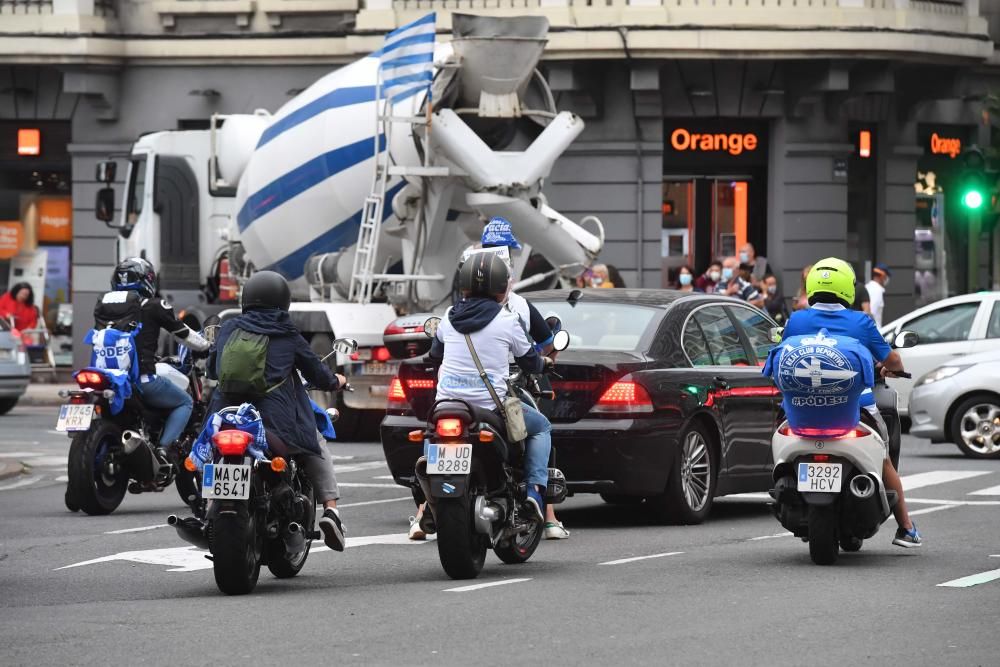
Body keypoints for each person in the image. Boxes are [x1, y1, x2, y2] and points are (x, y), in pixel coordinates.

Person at [779, 258, 921, 548]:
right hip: (855, 405)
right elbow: (892, 359)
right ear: (848, 287)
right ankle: (906, 527)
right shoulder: (861, 322)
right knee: (882, 456)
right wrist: (891, 367)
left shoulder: (797, 320)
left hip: (802, 408)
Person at [206, 270, 348, 552]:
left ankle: (207, 506)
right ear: (283, 301)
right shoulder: (287, 333)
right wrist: (338, 381)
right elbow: (319, 374)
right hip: (273, 424)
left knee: (210, 454)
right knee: (314, 442)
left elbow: (212, 368)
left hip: (224, 418)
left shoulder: (230, 329)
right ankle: (331, 512)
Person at [428, 252, 552, 528]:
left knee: (430, 436)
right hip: (490, 408)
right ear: (501, 287)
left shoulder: (448, 316)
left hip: (446, 406)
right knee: (541, 426)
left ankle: (427, 502)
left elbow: (435, 352)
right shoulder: (508, 320)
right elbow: (530, 360)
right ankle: (534, 492)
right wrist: (543, 363)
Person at [105, 258, 210, 456]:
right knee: (185, 402)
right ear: (148, 280)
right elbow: (184, 335)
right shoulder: (154, 306)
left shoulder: (105, 306)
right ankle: (163, 449)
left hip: (108, 379)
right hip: (140, 379)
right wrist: (206, 346)